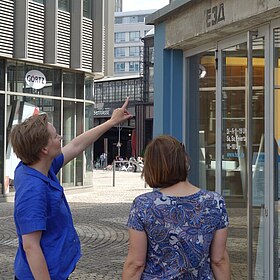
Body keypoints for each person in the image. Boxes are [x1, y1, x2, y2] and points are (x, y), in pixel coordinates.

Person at [10, 98, 132, 280]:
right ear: (44, 149)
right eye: (55, 136)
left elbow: (76, 145)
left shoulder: (39, 166)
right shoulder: (33, 190)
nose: (61, 138)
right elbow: (31, 246)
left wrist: (111, 122)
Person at [122, 135, 231, 280]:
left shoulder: (143, 205)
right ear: (185, 161)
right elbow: (219, 260)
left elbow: (136, 263)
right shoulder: (215, 202)